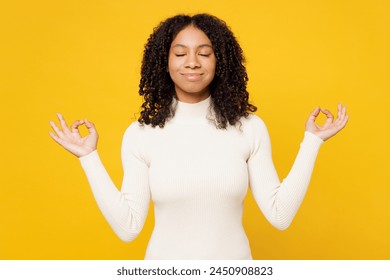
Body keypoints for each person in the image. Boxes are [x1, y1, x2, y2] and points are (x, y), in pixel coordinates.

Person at [49, 14, 349, 259]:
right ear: (164, 63)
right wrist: (89, 158)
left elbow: (279, 215)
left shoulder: (249, 128)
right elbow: (128, 227)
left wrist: (312, 142)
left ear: (220, 62)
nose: (192, 62)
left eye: (204, 53)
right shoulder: (141, 134)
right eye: (180, 53)